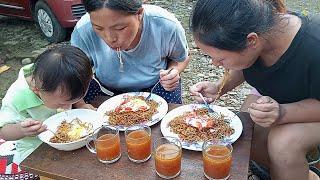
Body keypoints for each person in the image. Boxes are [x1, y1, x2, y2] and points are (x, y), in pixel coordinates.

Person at [189, 0, 320, 179]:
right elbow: (245, 63)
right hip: (281, 96)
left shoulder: (314, 47)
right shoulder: (257, 32)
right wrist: (219, 87)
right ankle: (287, 171)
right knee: (244, 133)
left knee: (282, 144)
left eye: (221, 59)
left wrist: (282, 113)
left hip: (313, 106)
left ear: (251, 41)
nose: (215, 64)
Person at [71, 0, 189, 104]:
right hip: (105, 89)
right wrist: (80, 104)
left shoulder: (165, 25)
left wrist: (173, 72)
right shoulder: (83, 30)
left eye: (120, 28)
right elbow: (74, 74)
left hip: (156, 86)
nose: (110, 38)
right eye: (98, 28)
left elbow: (181, 58)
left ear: (139, 13)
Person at [0, 45, 93, 164]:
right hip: (35, 146)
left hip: (72, 136)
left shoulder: (64, 78)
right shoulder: (16, 97)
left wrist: (80, 105)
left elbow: (72, 93)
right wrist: (22, 130)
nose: (67, 107)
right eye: (61, 103)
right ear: (37, 90)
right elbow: (3, 132)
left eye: (73, 101)